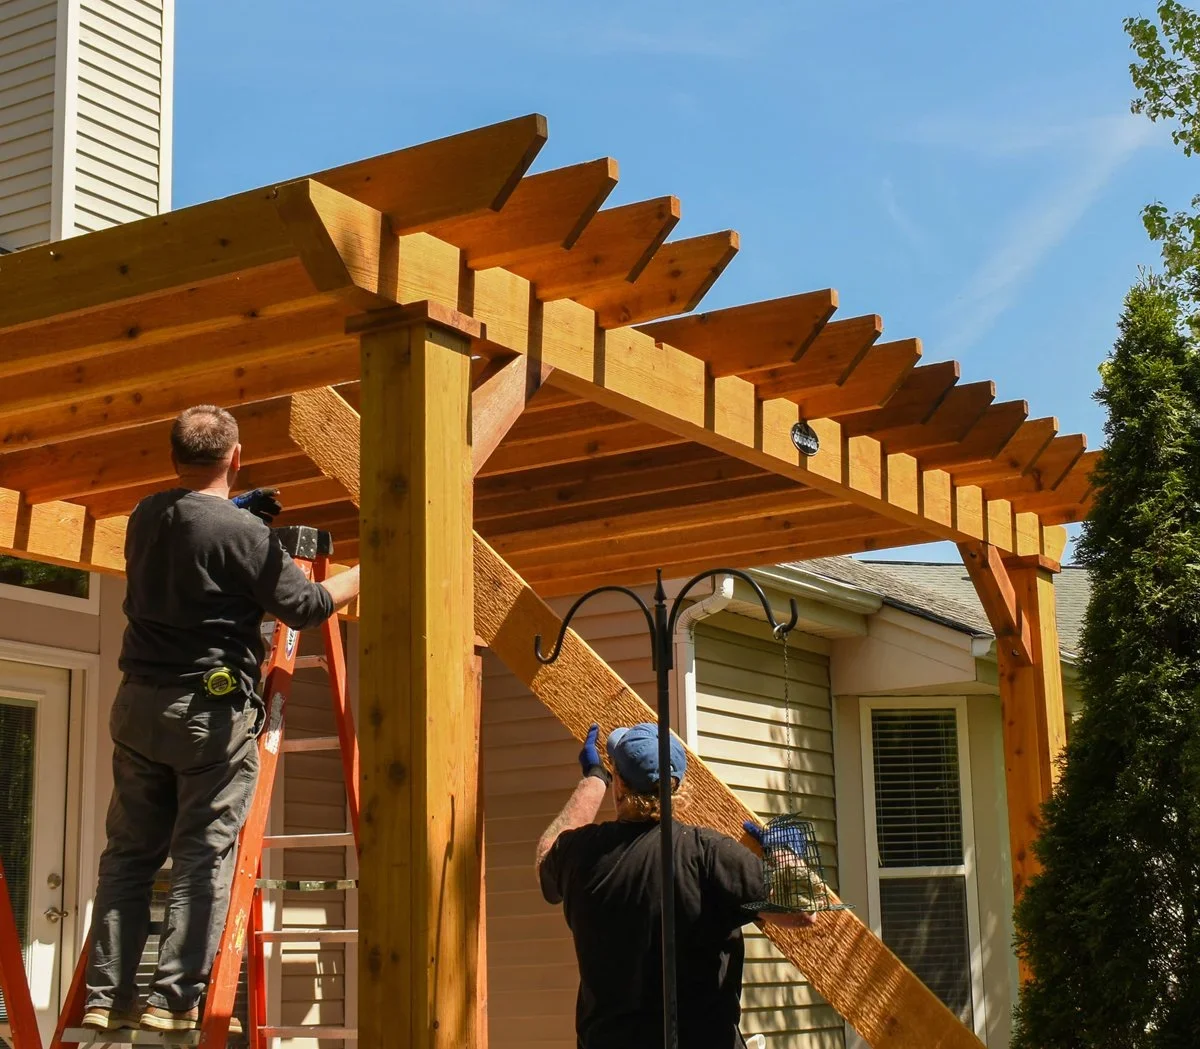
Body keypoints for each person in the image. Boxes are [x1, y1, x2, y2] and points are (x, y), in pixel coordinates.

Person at [81, 405, 361, 1034]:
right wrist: (366, 573)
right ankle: (175, 998)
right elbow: (307, 604)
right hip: (208, 712)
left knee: (128, 856)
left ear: (173, 457)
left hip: (139, 704)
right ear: (236, 457)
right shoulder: (244, 536)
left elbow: (198, 530)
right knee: (203, 854)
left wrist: (240, 522)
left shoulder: (146, 516)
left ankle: (107, 997)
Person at [537, 721, 815, 1049]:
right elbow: (801, 912)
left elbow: (546, 854)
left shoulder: (580, 854)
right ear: (678, 788)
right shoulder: (708, 855)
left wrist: (594, 779)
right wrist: (785, 852)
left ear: (620, 787)